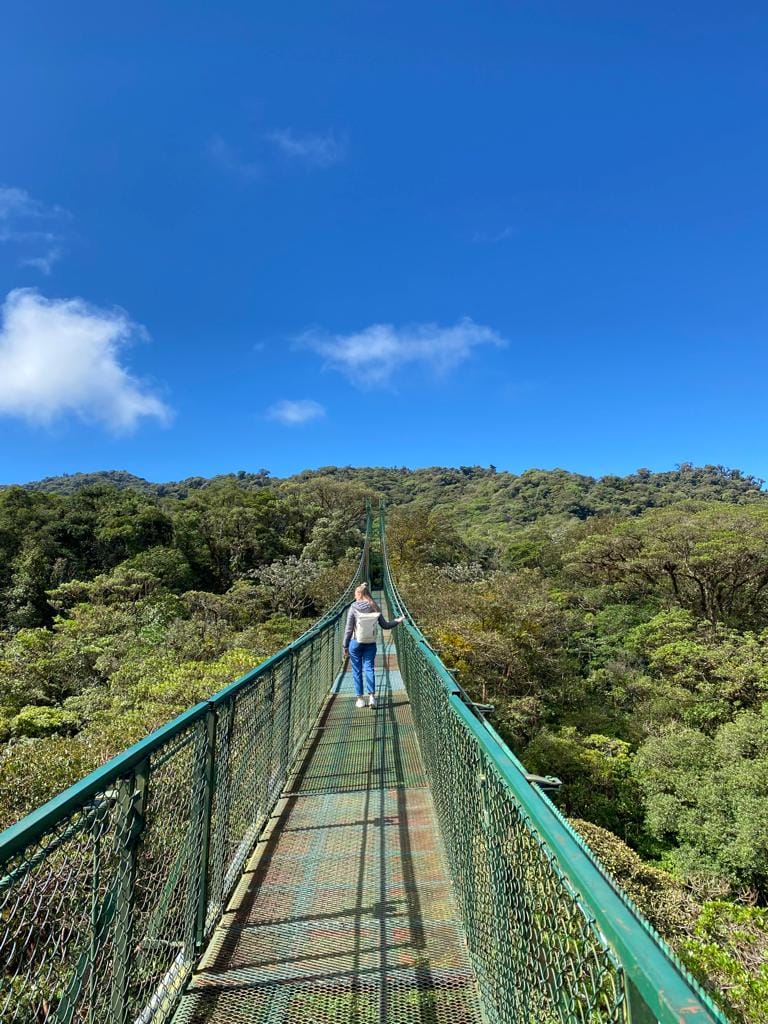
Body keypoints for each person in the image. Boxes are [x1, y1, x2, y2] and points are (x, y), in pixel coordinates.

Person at [343, 582, 404, 708]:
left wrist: (345, 646)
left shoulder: (353, 607)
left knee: (357, 670)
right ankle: (372, 698)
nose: (355, 597)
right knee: (369, 668)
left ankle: (360, 699)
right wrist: (397, 621)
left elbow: (348, 629)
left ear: (359, 594)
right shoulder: (374, 606)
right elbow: (385, 625)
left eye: (355, 594)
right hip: (370, 643)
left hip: (355, 643)